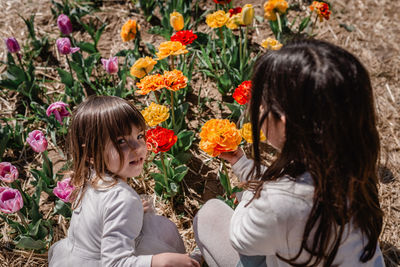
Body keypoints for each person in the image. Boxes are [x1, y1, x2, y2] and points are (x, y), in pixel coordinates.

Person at [194, 38, 386, 266]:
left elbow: (241, 239)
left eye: (260, 103)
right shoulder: (351, 165)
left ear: (283, 122)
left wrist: (249, 197)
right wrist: (241, 163)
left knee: (209, 214)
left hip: (268, 230)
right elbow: (285, 184)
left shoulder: (280, 204)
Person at [48, 95, 200, 267]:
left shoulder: (90, 179)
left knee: (151, 224)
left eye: (140, 136)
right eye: (121, 141)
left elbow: (100, 217)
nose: (138, 148)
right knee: (164, 229)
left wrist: (127, 211)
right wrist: (158, 261)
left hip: (74, 260)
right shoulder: (122, 199)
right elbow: (114, 264)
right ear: (91, 153)